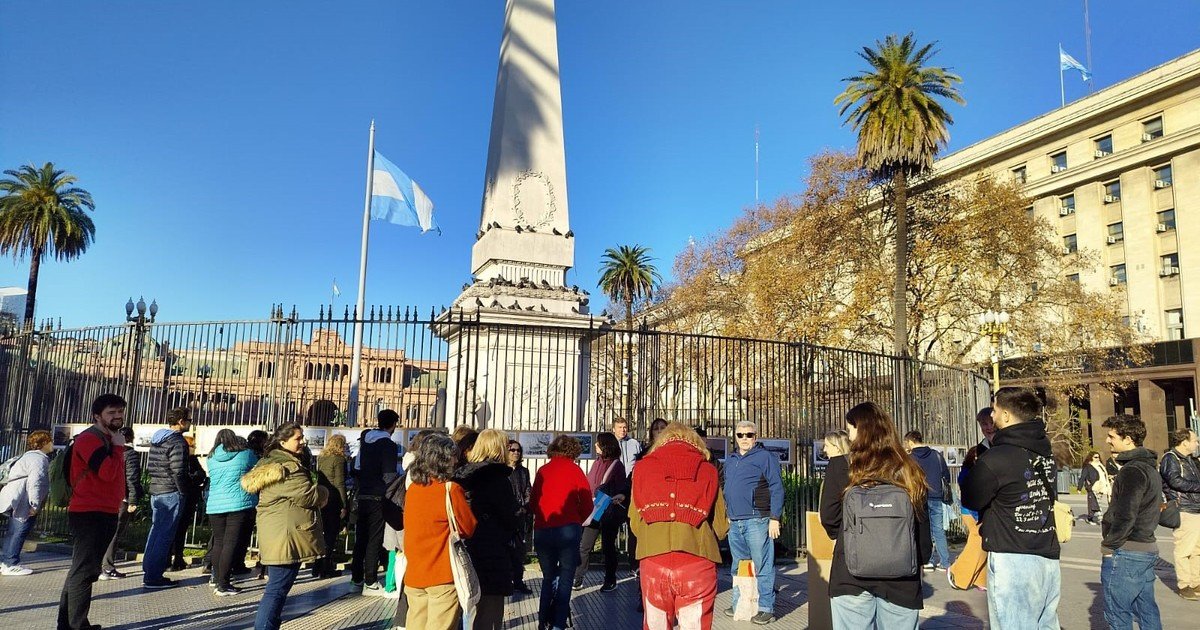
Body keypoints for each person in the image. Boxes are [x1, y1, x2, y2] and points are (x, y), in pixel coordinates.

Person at [820, 402, 932, 629]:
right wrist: (920, 560)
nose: (849, 436)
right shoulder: (909, 468)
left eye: (850, 429)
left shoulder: (841, 465)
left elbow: (829, 516)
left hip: (851, 572)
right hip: (902, 573)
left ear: (860, 430)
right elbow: (921, 521)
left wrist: (846, 536)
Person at [961, 387, 1060, 630]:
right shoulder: (1045, 451)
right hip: (1047, 553)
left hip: (1011, 556)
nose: (992, 416)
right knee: (1045, 623)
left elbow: (971, 498)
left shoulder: (997, 457)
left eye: (994, 410)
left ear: (1006, 415)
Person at [630, 422, 728, 629]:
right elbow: (721, 526)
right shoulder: (709, 470)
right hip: (698, 561)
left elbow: (635, 522)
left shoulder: (642, 468)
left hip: (653, 559)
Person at [242, 423, 328, 630]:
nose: (303, 442)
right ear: (282, 442)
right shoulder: (287, 468)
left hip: (278, 533)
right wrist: (325, 491)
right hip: (286, 536)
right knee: (276, 590)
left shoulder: (270, 462)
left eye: (302, 437)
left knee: (277, 589)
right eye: (298, 438)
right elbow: (308, 496)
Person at [56, 393, 129, 630]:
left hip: (103, 510)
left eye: (120, 412)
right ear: (97, 416)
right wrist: (118, 448)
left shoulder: (108, 439)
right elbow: (106, 473)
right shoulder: (90, 439)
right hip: (90, 512)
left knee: (81, 570)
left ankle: (67, 625)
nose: (117, 416)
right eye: (111, 412)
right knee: (85, 572)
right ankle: (77, 626)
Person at [403, 433, 478, 630]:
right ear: (443, 459)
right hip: (442, 573)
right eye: (453, 456)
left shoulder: (413, 489)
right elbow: (468, 527)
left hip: (415, 573)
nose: (456, 461)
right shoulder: (450, 489)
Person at [1100, 414, 1164, 628]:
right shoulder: (1149, 467)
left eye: (1112, 436)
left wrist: (1109, 545)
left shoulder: (1132, 470)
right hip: (1146, 548)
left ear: (1128, 439)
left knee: (1118, 615)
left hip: (1128, 550)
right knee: (1147, 610)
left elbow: (1126, 514)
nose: (1108, 441)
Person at [452, 429, 519, 629]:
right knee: (490, 611)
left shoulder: (461, 476)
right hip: (492, 550)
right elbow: (508, 517)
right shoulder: (497, 478)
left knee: (468, 608)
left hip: (464, 547)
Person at [722, 419, 783, 625]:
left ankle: (766, 608)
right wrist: (728, 513)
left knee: (763, 565)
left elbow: (777, 487)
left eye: (749, 435)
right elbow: (727, 487)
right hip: (735, 521)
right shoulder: (730, 459)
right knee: (739, 566)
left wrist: (775, 518)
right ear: (735, 436)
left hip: (757, 519)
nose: (744, 438)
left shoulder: (765, 457)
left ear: (755, 437)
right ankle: (740, 603)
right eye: (740, 435)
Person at [532, 435, 593, 630]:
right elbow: (588, 504)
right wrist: (577, 519)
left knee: (548, 577)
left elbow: (533, 503)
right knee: (566, 578)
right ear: (573, 451)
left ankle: (542, 621)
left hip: (543, 529)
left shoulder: (543, 470)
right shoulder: (575, 470)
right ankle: (558, 624)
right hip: (568, 529)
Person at [352, 409, 400, 595]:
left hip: (363, 493)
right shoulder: (388, 445)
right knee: (374, 538)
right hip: (378, 496)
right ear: (393, 425)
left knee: (361, 538)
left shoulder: (365, 440)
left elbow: (356, 467)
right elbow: (389, 475)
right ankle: (370, 581)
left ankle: (356, 578)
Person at [142, 407, 191, 589]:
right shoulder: (177, 442)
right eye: (189, 420)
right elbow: (178, 471)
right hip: (171, 491)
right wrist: (184, 491)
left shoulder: (158, 440)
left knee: (155, 532)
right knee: (165, 535)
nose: (190, 423)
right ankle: (154, 576)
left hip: (157, 489)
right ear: (181, 421)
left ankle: (149, 570)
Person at [574, 431, 628, 593]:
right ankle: (578, 578)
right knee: (584, 545)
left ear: (606, 446)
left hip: (608, 509)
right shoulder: (596, 462)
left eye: (598, 443)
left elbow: (621, 487)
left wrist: (617, 495)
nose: (595, 445)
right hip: (594, 508)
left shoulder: (617, 465)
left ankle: (610, 579)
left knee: (608, 546)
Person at [206, 429, 258, 595]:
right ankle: (224, 584)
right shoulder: (245, 454)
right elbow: (258, 466)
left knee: (218, 543)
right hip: (237, 504)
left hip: (215, 505)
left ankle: (216, 579)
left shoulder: (211, 457)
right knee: (230, 544)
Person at [0, 429, 53, 576]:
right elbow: (36, 482)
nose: (52, 444)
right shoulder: (39, 459)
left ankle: (6, 561)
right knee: (20, 530)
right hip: (23, 498)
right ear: (44, 443)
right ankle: (12, 563)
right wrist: (34, 505)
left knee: (13, 531)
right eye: (50, 441)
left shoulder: (27, 456)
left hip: (13, 496)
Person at [903, 430, 953, 570]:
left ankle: (928, 560)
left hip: (919, 498)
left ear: (911, 442)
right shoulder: (936, 455)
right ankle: (945, 562)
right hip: (936, 496)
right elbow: (946, 475)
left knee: (923, 530)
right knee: (938, 530)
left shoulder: (910, 459)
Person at [1161, 427, 1200, 600]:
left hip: (1196, 508)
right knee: (1184, 549)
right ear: (1184, 442)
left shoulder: (1190, 459)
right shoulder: (1171, 458)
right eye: (1195, 440)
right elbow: (1175, 481)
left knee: (1197, 550)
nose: (1197, 444)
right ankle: (1184, 585)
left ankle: (1196, 582)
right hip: (1184, 508)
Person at [100, 426, 141, 580]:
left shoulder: (109, 451)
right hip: (121, 498)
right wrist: (133, 500)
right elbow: (131, 478)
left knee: (104, 532)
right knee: (115, 533)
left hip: (106, 496)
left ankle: (100, 565)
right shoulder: (130, 455)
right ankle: (108, 567)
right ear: (131, 438)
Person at [948, 447, 987, 591]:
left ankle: (980, 579)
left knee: (983, 545)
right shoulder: (967, 472)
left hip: (978, 512)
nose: (977, 458)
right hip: (971, 512)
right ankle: (957, 572)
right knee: (977, 542)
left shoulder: (979, 470)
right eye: (975, 456)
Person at [170, 434, 207, 571]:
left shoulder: (192, 459)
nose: (194, 448)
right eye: (192, 446)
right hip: (183, 496)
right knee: (176, 530)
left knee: (180, 529)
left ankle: (177, 558)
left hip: (189, 497)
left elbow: (202, 474)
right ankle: (172, 558)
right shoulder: (184, 460)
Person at [315, 432, 349, 579]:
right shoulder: (339, 459)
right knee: (331, 534)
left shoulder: (322, 457)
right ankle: (326, 567)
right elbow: (340, 483)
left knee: (321, 533)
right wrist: (344, 504)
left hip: (322, 496)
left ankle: (317, 566)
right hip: (334, 498)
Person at [507, 439, 533, 594]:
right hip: (506, 515)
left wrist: (525, 507)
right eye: (512, 450)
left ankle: (518, 581)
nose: (516, 453)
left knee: (519, 550)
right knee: (507, 549)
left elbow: (528, 490)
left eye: (518, 450)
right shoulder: (502, 470)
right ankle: (507, 580)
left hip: (520, 515)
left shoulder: (523, 471)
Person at [245, 429, 269, 580]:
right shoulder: (260, 458)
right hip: (259, 498)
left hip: (250, 498)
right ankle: (265, 565)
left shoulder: (246, 454)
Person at [1076, 451, 1112, 526]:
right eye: (1095, 457)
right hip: (1092, 487)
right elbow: (1083, 477)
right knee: (1093, 503)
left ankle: (1097, 517)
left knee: (1097, 503)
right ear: (1091, 458)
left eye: (1098, 457)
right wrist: (1079, 488)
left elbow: (1104, 476)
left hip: (1101, 487)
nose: (1097, 459)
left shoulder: (1100, 466)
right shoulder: (1088, 467)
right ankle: (1091, 518)